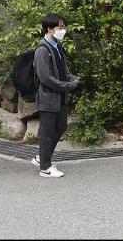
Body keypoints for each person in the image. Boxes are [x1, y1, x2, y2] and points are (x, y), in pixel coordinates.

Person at [32, 14, 79, 178]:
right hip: (48, 98)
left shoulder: (57, 46)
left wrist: (72, 78)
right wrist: (66, 86)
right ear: (49, 29)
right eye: (60, 27)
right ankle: (45, 167)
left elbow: (63, 70)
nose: (63, 30)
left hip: (60, 96)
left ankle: (41, 157)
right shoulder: (42, 50)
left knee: (61, 127)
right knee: (47, 132)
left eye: (64, 26)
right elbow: (45, 78)